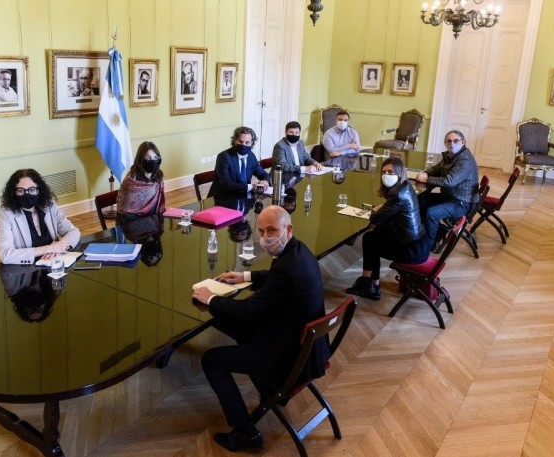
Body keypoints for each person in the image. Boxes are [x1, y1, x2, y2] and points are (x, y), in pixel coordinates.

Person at [192, 206, 330, 453]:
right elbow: (276, 275)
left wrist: (211, 298)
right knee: (224, 318)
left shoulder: (288, 269)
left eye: (272, 230)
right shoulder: (300, 251)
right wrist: (245, 276)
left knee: (212, 360)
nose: (266, 237)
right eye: (262, 231)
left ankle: (247, 434)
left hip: (285, 357)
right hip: (305, 348)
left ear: (288, 229)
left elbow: (249, 309)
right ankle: (261, 385)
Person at [346, 157, 430, 300]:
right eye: (384, 172)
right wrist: (383, 209)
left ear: (399, 172)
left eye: (391, 172)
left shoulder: (397, 195)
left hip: (412, 250)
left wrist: (376, 211)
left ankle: (369, 284)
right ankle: (372, 284)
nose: (386, 175)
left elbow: (375, 219)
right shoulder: (406, 186)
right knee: (374, 236)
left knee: (370, 239)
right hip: (419, 242)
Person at [0, 169, 81, 265]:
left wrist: (59, 247)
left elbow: (73, 231)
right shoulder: (6, 214)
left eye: (32, 190)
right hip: (26, 269)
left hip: (54, 263)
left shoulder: (49, 205)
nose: (27, 194)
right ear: (13, 193)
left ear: (39, 190)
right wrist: (48, 249)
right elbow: (5, 255)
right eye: (20, 191)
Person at [415, 130, 479, 251]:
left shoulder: (465, 160)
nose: (452, 144)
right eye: (449, 141)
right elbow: (436, 169)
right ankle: (438, 231)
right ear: (445, 143)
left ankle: (430, 244)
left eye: (456, 141)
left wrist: (427, 179)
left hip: (461, 203)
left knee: (431, 213)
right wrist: (425, 173)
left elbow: (449, 182)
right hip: (450, 197)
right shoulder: (450, 156)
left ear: (463, 142)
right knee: (419, 200)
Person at [208, 126, 271, 198]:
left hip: (243, 196)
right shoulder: (223, 157)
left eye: (247, 142)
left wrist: (265, 181)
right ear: (235, 141)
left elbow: (263, 174)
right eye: (241, 142)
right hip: (223, 197)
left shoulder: (251, 156)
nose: (244, 145)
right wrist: (252, 186)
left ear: (252, 143)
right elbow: (227, 185)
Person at [116, 141, 166, 217]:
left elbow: (159, 209)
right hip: (130, 223)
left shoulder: (158, 178)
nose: (152, 161)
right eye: (147, 158)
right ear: (140, 160)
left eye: (155, 158)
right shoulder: (131, 182)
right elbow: (126, 215)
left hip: (153, 220)